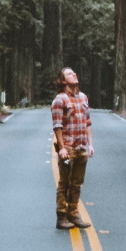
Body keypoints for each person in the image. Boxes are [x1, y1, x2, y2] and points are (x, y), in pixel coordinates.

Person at [47, 68, 92, 229]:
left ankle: (74, 214)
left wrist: (90, 144)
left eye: (74, 72)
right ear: (63, 81)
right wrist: (61, 148)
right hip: (68, 147)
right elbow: (57, 126)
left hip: (81, 147)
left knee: (77, 183)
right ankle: (62, 216)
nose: (74, 74)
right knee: (64, 183)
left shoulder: (83, 98)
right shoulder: (60, 100)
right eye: (69, 74)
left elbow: (87, 123)